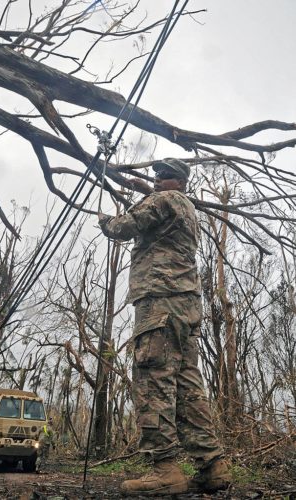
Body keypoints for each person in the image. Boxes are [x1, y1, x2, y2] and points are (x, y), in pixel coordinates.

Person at [98, 158, 231, 496]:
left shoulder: (163, 201)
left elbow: (121, 228)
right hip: (186, 306)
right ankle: (212, 465)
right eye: (155, 176)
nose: (157, 181)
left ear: (178, 182)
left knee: (153, 379)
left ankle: (165, 469)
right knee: (187, 385)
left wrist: (105, 219)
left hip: (159, 301)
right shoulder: (186, 209)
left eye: (164, 176)